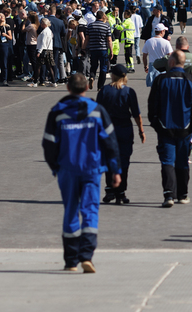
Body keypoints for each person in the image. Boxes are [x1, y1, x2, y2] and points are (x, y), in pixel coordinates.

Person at [43, 73, 121, 273]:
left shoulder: (57, 112)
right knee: (90, 211)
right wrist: (115, 170)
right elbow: (111, 143)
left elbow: (48, 144)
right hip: (92, 169)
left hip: (67, 169)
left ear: (68, 88)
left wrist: (55, 167)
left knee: (70, 211)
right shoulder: (97, 111)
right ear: (87, 87)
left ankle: (70, 261)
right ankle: (86, 256)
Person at [148, 51, 192, 207]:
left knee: (167, 161)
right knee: (182, 162)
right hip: (185, 128)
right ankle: (183, 194)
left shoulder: (160, 80)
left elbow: (152, 104)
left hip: (165, 127)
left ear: (171, 62)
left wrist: (155, 122)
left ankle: (169, 195)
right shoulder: (191, 80)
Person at [96, 64, 144, 205]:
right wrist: (141, 130)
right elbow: (136, 114)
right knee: (124, 161)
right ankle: (121, 192)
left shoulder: (104, 90)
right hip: (124, 130)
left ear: (112, 75)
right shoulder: (129, 92)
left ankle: (109, 190)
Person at [85, 11, 114, 91]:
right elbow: (109, 39)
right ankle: (100, 86)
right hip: (103, 49)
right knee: (103, 68)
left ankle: (92, 77)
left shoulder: (90, 26)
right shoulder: (106, 26)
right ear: (103, 17)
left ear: (96, 16)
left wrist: (83, 48)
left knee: (93, 65)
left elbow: (87, 38)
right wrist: (111, 51)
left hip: (93, 49)